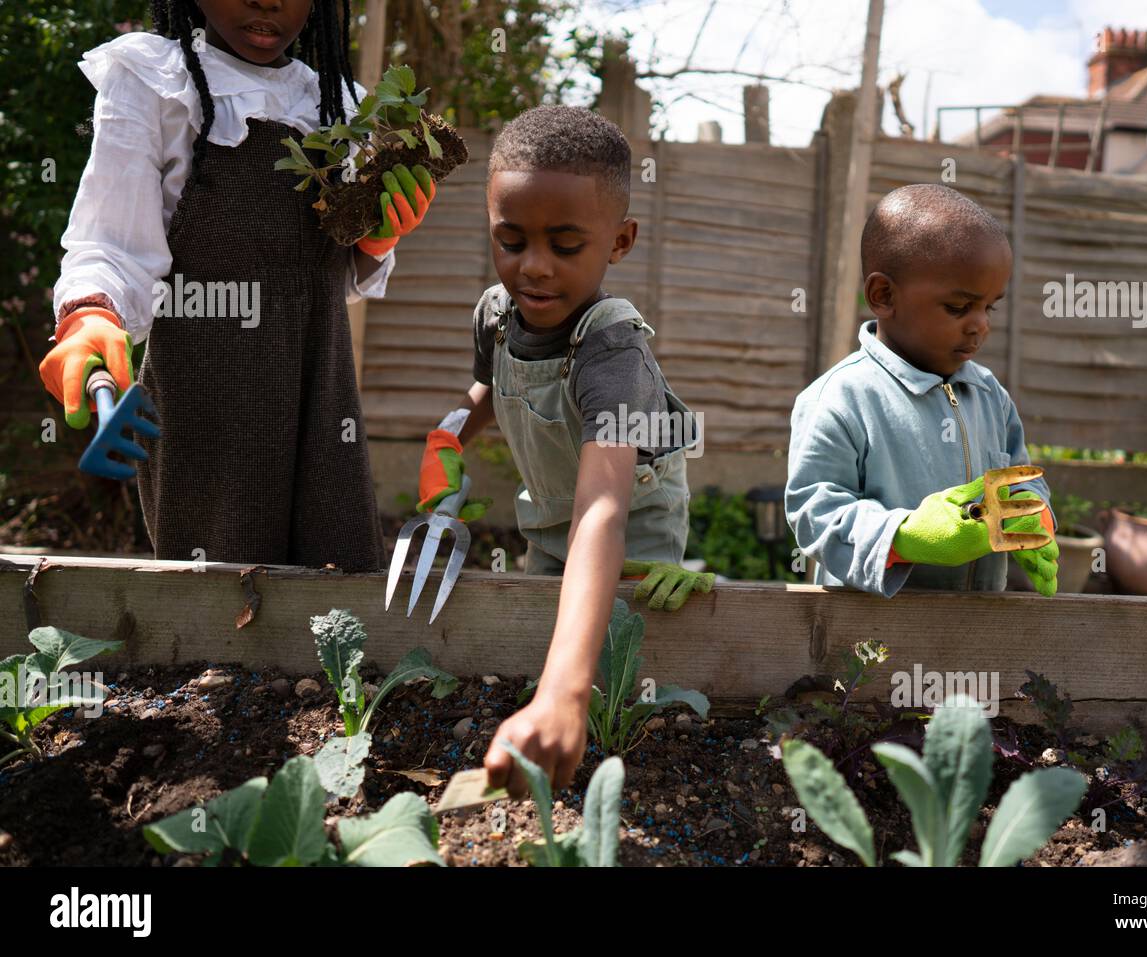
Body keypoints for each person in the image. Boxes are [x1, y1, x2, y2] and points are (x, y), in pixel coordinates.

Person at [40, 0, 435, 570]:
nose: (268, 1)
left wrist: (374, 241)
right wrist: (88, 317)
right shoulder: (154, 81)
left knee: (338, 600)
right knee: (215, 612)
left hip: (319, 396)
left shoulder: (339, 105)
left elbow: (329, 279)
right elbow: (111, 242)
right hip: (202, 404)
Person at [414, 105, 713, 796]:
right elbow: (488, 387)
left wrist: (564, 693)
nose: (534, 269)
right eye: (511, 240)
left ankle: (610, 777)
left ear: (621, 241)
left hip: (626, 531)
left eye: (565, 245)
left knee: (617, 681)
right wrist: (450, 432)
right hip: (548, 519)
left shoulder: (611, 347)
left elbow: (604, 507)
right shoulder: (495, 312)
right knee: (538, 639)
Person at [786, 184, 1058, 598]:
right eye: (958, 307)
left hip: (979, 632)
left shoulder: (989, 396)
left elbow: (1022, 481)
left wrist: (1032, 515)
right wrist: (906, 536)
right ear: (884, 296)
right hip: (870, 642)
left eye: (990, 306)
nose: (980, 324)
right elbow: (815, 514)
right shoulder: (842, 398)